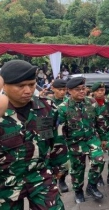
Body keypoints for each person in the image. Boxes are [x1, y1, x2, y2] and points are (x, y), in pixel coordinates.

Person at [0, 60, 69, 209]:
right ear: (4, 85)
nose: (28, 91)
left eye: (31, 85)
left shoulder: (46, 107)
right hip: (5, 182)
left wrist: (60, 168)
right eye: (20, 86)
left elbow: (57, 139)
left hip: (39, 175)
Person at [57, 77, 106, 203]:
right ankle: (78, 191)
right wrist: (61, 150)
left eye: (83, 88)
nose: (82, 91)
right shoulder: (63, 108)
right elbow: (59, 130)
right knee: (77, 169)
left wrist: (103, 138)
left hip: (91, 139)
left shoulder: (92, 102)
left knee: (99, 160)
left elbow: (99, 121)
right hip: (74, 143)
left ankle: (92, 186)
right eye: (78, 89)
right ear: (69, 91)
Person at [91, 82, 109, 188]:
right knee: (98, 159)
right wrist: (99, 138)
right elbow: (88, 124)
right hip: (95, 136)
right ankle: (98, 177)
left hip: (108, 134)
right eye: (98, 91)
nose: (100, 92)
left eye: (102, 90)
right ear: (93, 92)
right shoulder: (89, 104)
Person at [47, 79, 70, 193]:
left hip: (64, 138)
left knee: (64, 162)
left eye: (64, 89)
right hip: (51, 138)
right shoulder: (47, 103)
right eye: (60, 89)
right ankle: (52, 183)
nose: (62, 92)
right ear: (53, 89)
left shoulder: (68, 101)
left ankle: (62, 181)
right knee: (50, 162)